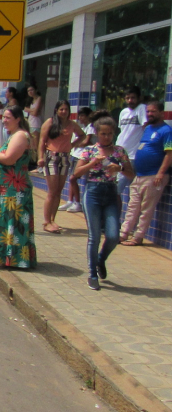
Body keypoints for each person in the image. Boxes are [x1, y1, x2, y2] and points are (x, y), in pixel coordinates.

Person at [72, 117, 134, 290]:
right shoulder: (90, 151)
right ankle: (92, 273)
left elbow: (131, 174)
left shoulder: (119, 151)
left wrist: (119, 168)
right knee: (94, 236)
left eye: (110, 134)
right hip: (93, 193)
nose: (106, 137)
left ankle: (100, 260)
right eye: (103, 134)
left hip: (111, 194)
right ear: (97, 134)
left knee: (113, 235)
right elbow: (77, 172)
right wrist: (93, 163)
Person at [0, 106, 37, 269]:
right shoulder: (13, 135)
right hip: (7, 188)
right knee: (4, 221)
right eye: (3, 117)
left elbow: (8, 159)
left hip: (15, 191)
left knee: (11, 222)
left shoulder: (20, 135)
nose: (4, 121)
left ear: (18, 119)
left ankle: (13, 258)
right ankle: (1, 255)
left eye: (7, 118)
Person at [120, 101, 171, 246]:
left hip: (154, 176)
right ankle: (123, 234)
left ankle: (138, 237)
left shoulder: (166, 131)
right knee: (132, 206)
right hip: (140, 175)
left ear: (161, 113)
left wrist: (160, 174)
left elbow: (169, 154)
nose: (150, 114)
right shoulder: (147, 129)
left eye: (153, 111)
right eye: (148, 111)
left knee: (146, 208)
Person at [37, 100, 87, 234]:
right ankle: (46, 221)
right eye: (61, 109)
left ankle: (53, 220)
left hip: (65, 157)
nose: (64, 112)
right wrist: (40, 157)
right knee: (52, 191)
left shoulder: (72, 124)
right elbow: (42, 141)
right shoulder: (50, 122)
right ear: (56, 110)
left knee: (58, 191)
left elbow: (82, 135)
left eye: (66, 109)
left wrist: (72, 145)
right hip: (51, 157)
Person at [115, 87, 148, 197]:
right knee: (130, 189)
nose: (130, 100)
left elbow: (146, 127)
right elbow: (122, 131)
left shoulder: (142, 108)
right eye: (127, 98)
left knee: (117, 189)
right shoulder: (123, 112)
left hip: (132, 155)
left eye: (133, 98)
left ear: (139, 98)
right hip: (119, 152)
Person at [63, 107, 94, 213]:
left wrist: (74, 144)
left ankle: (77, 203)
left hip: (82, 156)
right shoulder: (83, 127)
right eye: (79, 116)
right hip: (75, 154)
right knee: (71, 179)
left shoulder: (91, 127)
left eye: (82, 116)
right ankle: (70, 201)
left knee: (73, 178)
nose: (80, 118)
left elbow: (86, 141)